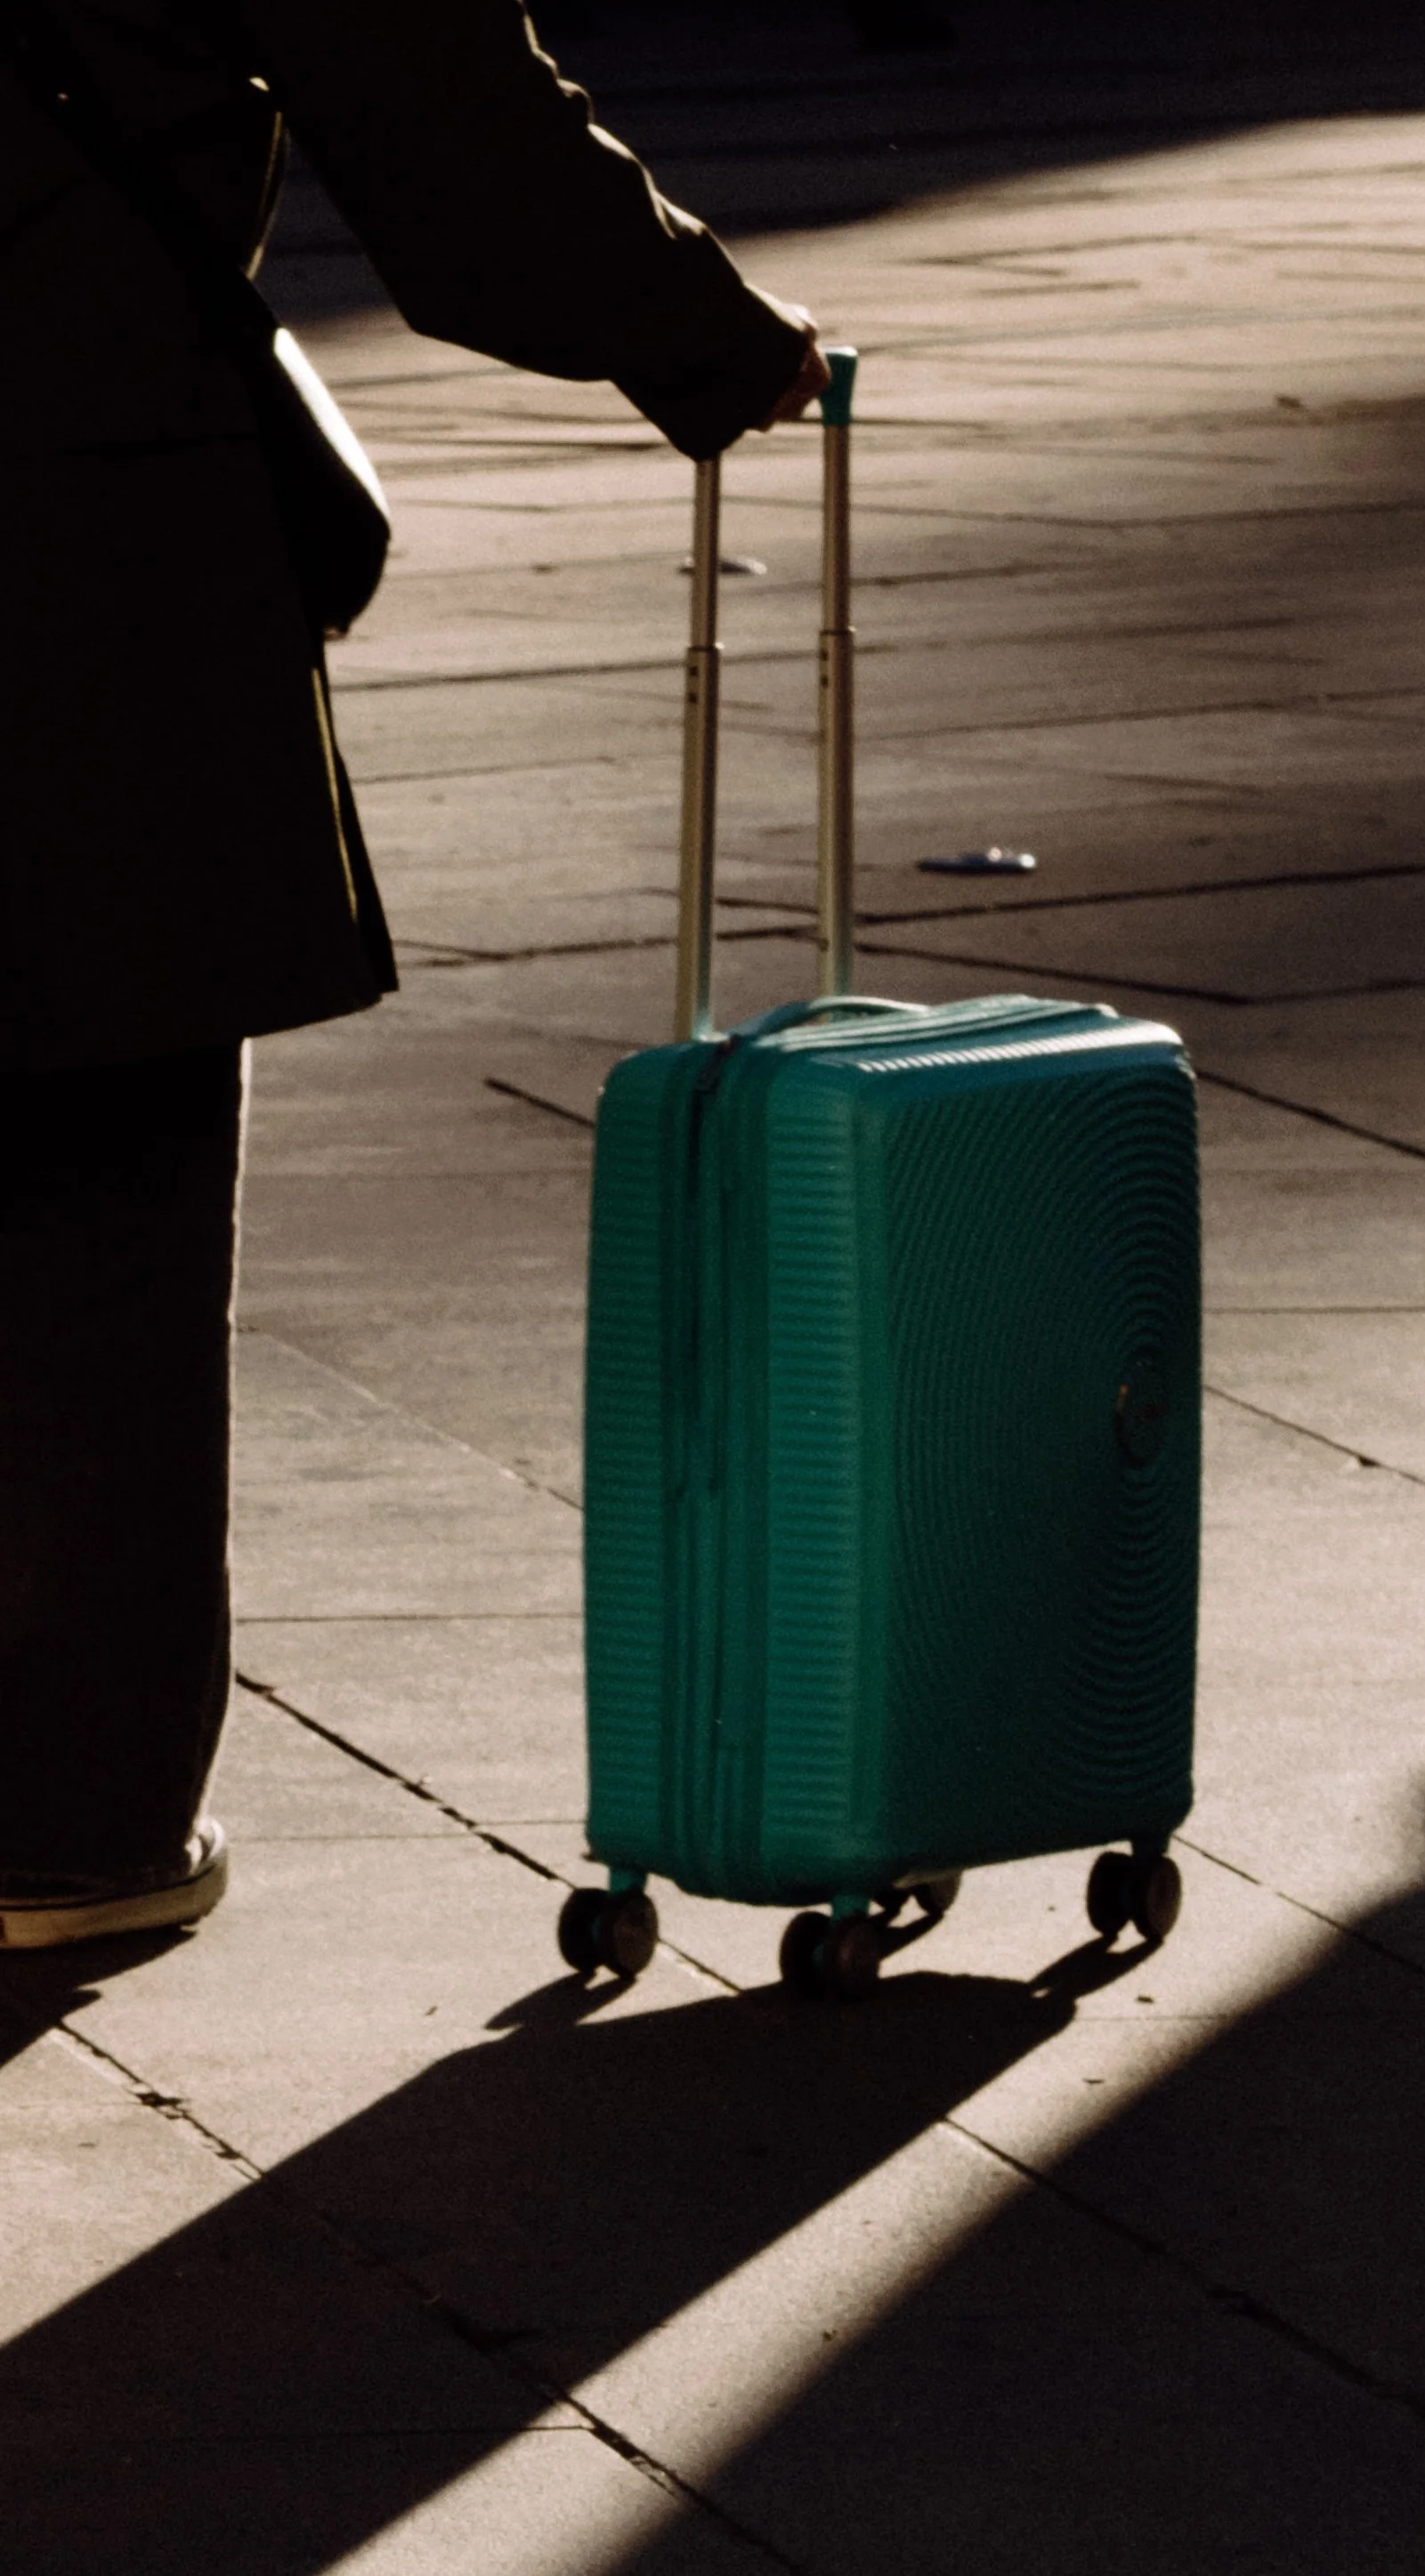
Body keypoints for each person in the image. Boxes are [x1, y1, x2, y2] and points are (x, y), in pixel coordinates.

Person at [0, 0, 828, 1949]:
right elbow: (434, 104)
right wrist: (702, 334)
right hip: (62, 493)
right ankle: (60, 1811)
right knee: (94, 1150)